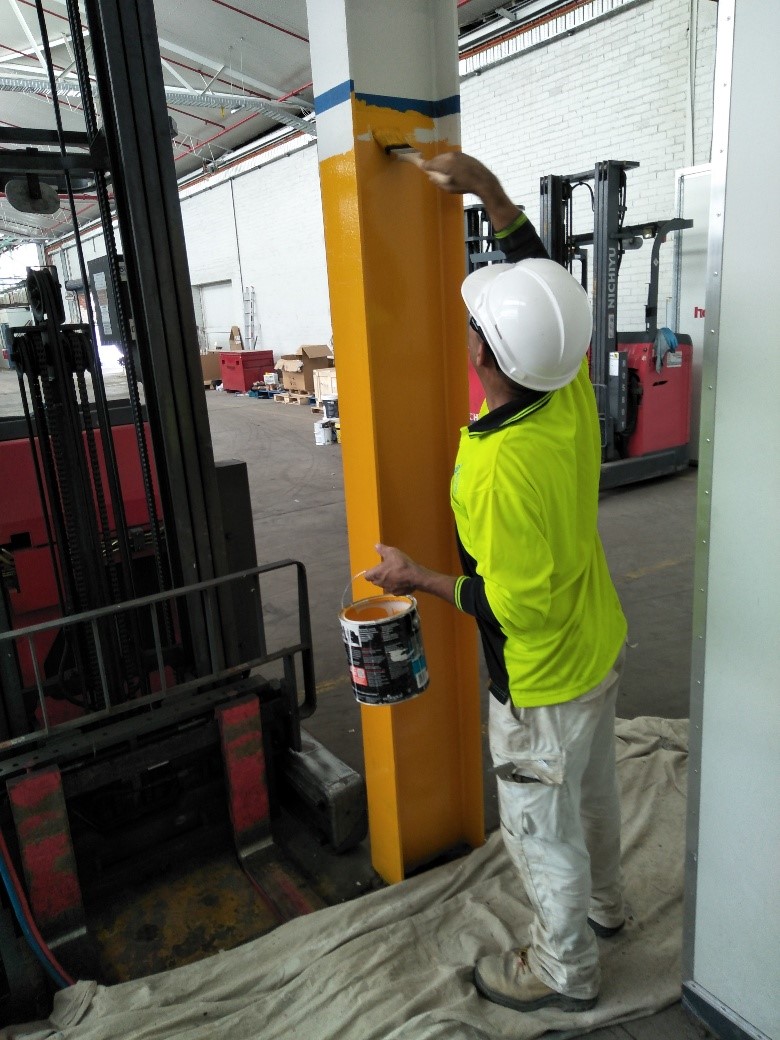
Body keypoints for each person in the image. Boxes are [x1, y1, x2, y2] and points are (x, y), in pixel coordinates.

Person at [364, 153, 628, 1014]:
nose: (469, 330)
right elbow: (547, 303)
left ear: (481, 350)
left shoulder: (497, 469)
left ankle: (565, 971)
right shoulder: (567, 387)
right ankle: (608, 909)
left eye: (475, 325)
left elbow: (516, 606)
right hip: (596, 649)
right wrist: (489, 193)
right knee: (596, 800)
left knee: (541, 832)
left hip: (541, 685)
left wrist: (418, 577)